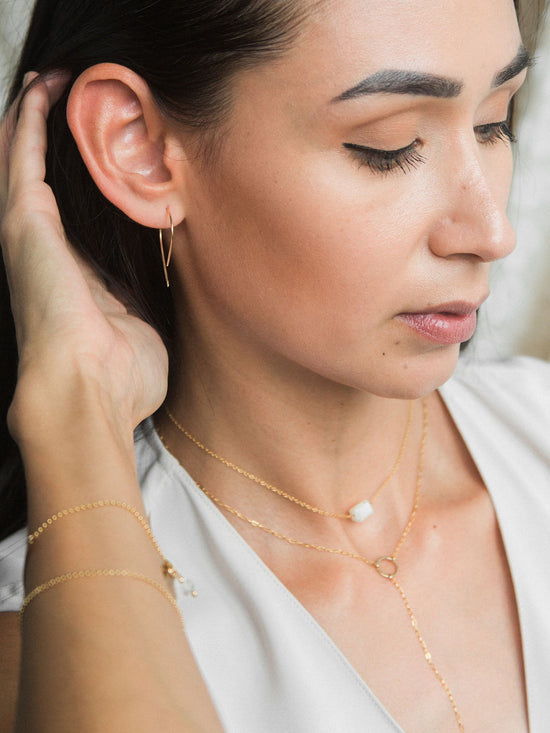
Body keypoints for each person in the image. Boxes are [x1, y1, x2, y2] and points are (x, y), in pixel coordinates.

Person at [0, 0, 548, 731]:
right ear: (140, 147)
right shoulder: (48, 633)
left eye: (492, 124)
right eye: (389, 145)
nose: (490, 230)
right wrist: (74, 411)